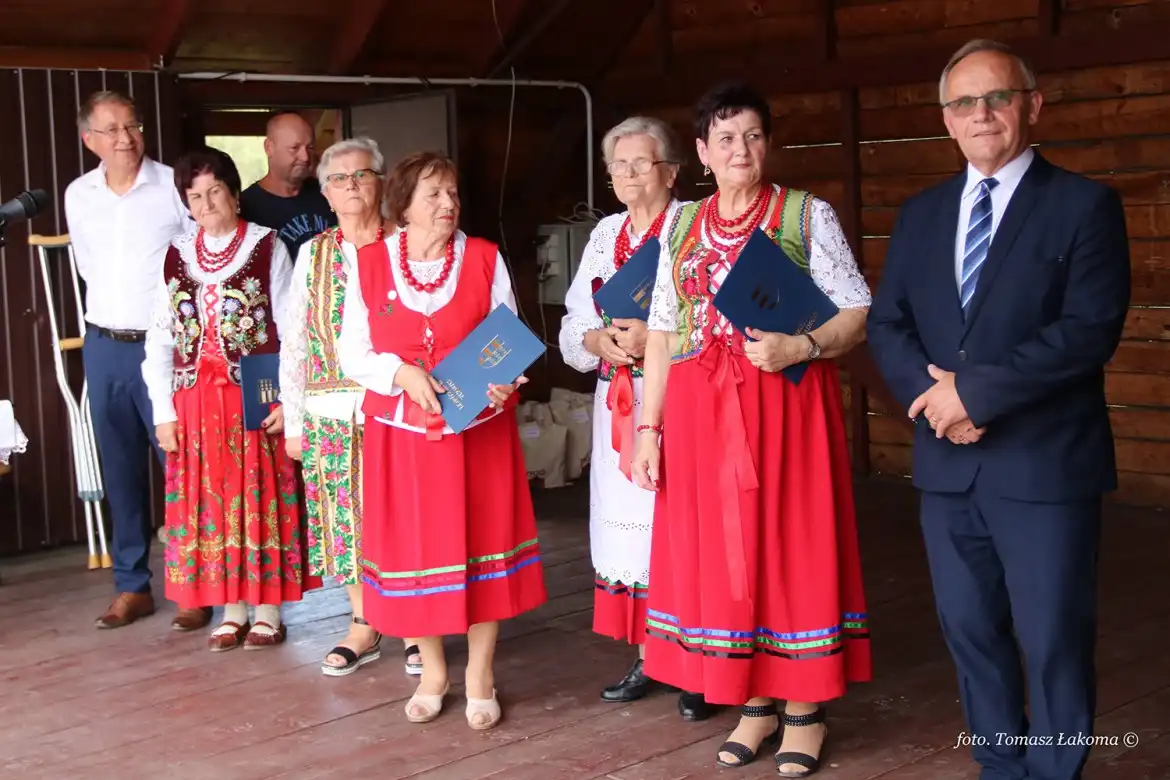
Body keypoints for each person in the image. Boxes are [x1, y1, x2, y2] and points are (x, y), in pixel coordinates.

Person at [866, 39, 1131, 780]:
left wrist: (974, 394)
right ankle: (999, 768)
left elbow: (1088, 331)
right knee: (971, 632)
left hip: (1045, 468)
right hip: (948, 468)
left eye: (998, 98)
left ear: (1032, 106)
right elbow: (889, 323)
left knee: (1052, 639)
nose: (981, 114)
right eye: (963, 103)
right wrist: (934, 400)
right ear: (945, 120)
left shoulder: (1084, 205)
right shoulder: (921, 215)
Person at [631, 81, 873, 777]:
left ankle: (805, 710)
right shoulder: (678, 226)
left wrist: (803, 346)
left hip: (785, 406)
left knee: (790, 546)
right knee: (726, 559)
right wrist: (650, 428)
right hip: (701, 414)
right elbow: (663, 331)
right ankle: (756, 701)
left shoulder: (804, 214)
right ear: (703, 151)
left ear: (769, 143)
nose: (742, 149)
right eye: (727, 138)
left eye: (754, 136)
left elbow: (856, 310)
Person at [338, 150, 546, 731]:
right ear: (402, 204)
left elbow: (507, 338)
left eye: (452, 193)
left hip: (476, 433)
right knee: (415, 555)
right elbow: (352, 350)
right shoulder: (371, 263)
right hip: (402, 437)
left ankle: (480, 674)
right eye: (433, 194)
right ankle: (433, 671)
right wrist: (400, 373)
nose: (448, 204)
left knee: (480, 547)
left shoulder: (482, 258)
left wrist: (504, 383)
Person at [559, 116, 708, 719]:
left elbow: (714, 320)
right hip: (617, 400)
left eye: (639, 164)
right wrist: (595, 340)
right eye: (616, 165)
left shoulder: (695, 227)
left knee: (681, 524)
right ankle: (652, 653)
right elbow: (572, 321)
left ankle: (700, 659)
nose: (624, 175)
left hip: (681, 401)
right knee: (636, 529)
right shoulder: (604, 234)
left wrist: (658, 337)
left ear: (671, 170)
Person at [142, 147, 315, 651]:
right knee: (210, 504)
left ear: (234, 193)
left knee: (258, 495)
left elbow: (292, 330)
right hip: (195, 402)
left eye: (214, 190)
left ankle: (266, 609)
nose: (206, 203)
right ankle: (230, 607)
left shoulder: (267, 246)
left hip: (255, 396)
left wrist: (290, 399)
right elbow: (160, 336)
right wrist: (163, 411)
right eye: (194, 196)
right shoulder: (175, 254)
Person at [279, 136, 423, 677]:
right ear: (326, 193)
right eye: (339, 179)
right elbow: (295, 342)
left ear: (382, 183)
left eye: (362, 175)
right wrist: (294, 421)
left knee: (400, 513)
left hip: (397, 404)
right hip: (332, 410)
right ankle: (364, 622)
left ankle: (414, 624)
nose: (352, 186)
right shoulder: (314, 252)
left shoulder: (407, 244)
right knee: (344, 519)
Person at [63, 90, 202, 630]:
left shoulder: (171, 185)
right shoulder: (80, 195)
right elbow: (89, 265)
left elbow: (197, 260)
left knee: (181, 468)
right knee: (119, 469)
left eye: (132, 125)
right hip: (103, 345)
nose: (126, 138)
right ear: (90, 140)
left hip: (163, 348)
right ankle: (132, 586)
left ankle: (193, 584)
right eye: (112, 129)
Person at [239, 111, 336, 258]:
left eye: (309, 148)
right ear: (269, 148)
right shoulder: (246, 207)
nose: (305, 157)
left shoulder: (328, 192)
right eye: (294, 148)